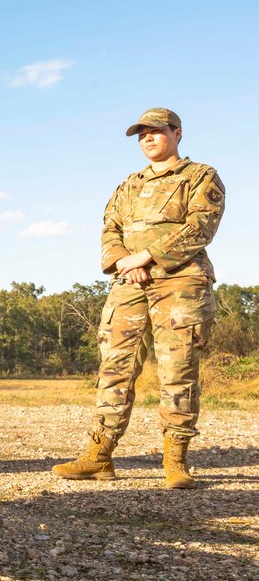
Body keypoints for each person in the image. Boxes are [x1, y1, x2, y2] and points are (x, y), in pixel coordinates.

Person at [53, 108, 225, 489]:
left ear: (177, 133)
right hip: (129, 283)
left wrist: (146, 257)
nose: (148, 138)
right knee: (114, 367)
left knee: (178, 370)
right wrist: (123, 262)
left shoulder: (200, 176)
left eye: (156, 131)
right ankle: (99, 455)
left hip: (181, 283)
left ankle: (176, 460)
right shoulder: (128, 185)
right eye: (141, 134)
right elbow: (109, 227)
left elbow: (201, 226)